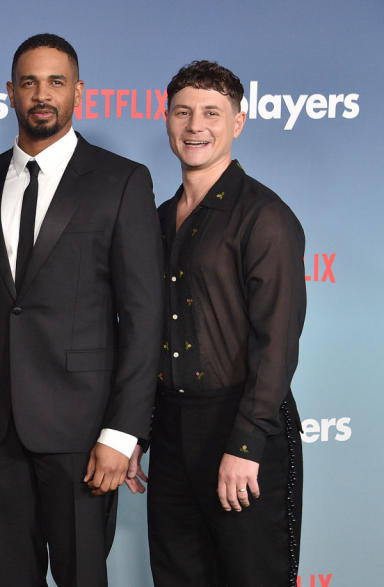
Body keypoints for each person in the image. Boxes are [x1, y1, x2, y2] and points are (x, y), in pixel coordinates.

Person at [0, 33, 163, 586]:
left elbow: (145, 318)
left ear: (78, 91)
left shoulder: (122, 180)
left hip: (82, 432)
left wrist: (122, 434)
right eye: (29, 83)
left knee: (81, 576)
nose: (41, 94)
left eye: (55, 82)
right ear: (10, 92)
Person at [136, 60, 305, 586]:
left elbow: (277, 342)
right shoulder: (157, 219)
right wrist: (138, 430)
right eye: (183, 112)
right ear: (166, 120)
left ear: (238, 121)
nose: (195, 126)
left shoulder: (266, 216)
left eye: (212, 112)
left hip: (241, 429)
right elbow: (145, 331)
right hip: (170, 429)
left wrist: (246, 445)